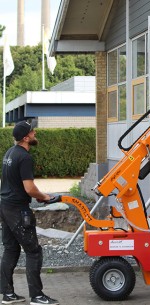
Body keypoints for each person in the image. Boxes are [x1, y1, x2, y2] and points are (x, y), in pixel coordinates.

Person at [0, 121, 59, 305]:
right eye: (32, 131)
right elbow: (29, 188)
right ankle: (37, 296)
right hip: (17, 210)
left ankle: (7, 294)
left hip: (4, 206)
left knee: (10, 249)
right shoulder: (25, 157)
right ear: (25, 138)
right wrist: (44, 196)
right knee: (34, 251)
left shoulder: (9, 153)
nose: (34, 133)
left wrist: (37, 194)